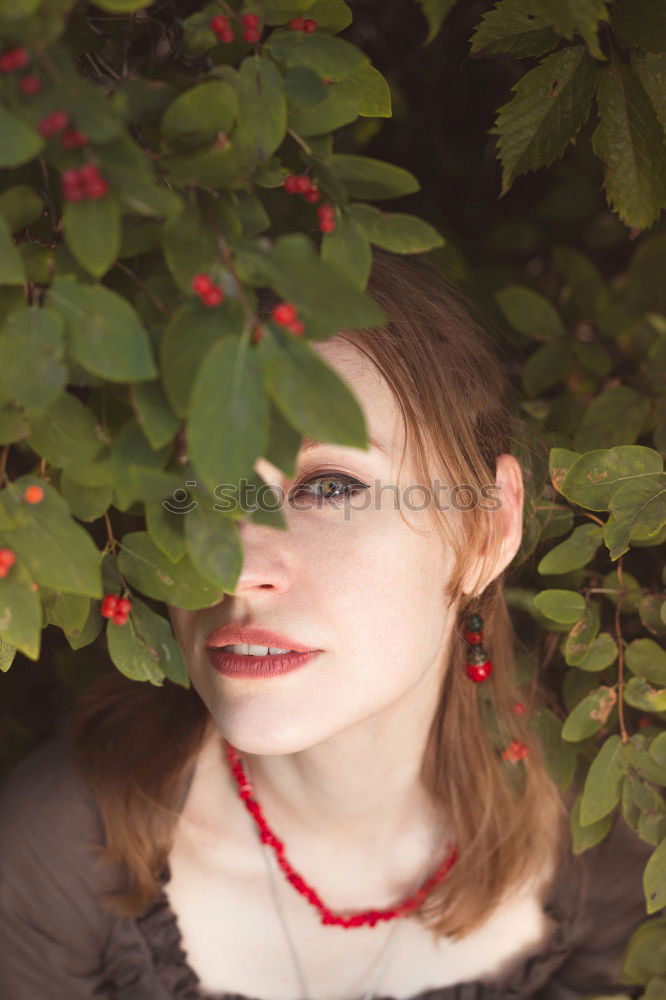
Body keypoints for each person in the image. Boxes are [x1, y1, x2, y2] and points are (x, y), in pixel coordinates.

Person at [0, 251, 656, 1000]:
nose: (233, 567)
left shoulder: (608, 843)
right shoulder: (63, 845)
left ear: (486, 530)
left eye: (330, 486)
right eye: (196, 490)